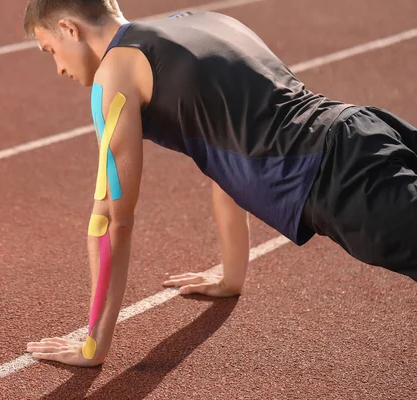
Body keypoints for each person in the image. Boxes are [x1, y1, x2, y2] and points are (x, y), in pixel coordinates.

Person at [23, 0, 417, 367]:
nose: (58, 67)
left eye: (49, 50)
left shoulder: (114, 74)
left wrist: (93, 343)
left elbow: (110, 219)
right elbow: (229, 152)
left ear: (68, 29)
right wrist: (232, 275)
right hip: (365, 127)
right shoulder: (200, 21)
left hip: (336, 177)